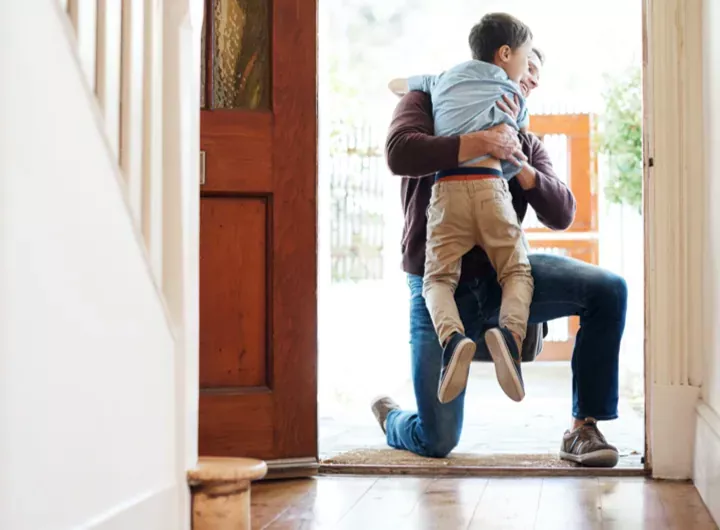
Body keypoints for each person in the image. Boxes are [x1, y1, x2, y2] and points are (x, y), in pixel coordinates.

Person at [371, 46, 628, 468]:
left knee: (607, 290)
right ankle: (394, 419)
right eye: (528, 69)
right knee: (437, 440)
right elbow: (400, 152)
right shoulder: (427, 101)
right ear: (498, 64)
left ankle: (584, 428)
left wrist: (520, 165)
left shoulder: (522, 136)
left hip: (506, 279)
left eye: (536, 78)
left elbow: (562, 212)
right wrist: (479, 141)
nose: (532, 82)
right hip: (439, 288)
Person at [387, 13, 536, 406]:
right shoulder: (513, 93)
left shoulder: (440, 81)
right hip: (489, 187)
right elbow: (516, 144)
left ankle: (453, 340)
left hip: (447, 189)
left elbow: (398, 84)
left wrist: (412, 88)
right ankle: (509, 335)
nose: (526, 70)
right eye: (524, 59)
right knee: (517, 270)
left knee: (437, 281)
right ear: (505, 54)